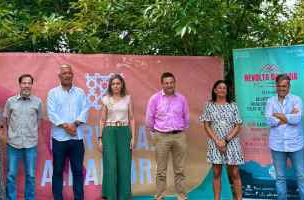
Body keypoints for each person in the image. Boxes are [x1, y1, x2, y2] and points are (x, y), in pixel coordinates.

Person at [47, 64, 89, 200]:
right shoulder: (53, 93)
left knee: (77, 171)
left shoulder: (80, 92)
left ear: (72, 75)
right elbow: (51, 113)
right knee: (58, 171)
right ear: (59, 76)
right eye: (64, 73)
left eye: (69, 73)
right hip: (59, 139)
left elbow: (85, 110)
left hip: (77, 139)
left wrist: (75, 125)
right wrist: (67, 127)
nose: (67, 75)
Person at [145, 72, 190, 200]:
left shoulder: (182, 99)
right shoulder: (155, 99)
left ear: (174, 83)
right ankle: (159, 196)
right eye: (166, 83)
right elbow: (149, 118)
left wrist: (181, 131)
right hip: (161, 137)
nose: (169, 85)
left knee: (180, 169)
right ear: (162, 84)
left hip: (179, 136)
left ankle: (181, 196)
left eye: (171, 82)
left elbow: (186, 118)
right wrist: (154, 134)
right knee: (161, 170)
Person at [264, 74, 304, 200]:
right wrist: (288, 116)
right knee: (280, 178)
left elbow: (297, 119)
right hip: (277, 145)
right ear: (276, 86)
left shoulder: (297, 100)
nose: (281, 88)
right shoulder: (270, 101)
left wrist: (278, 115)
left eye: (284, 86)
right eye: (279, 86)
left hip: (296, 144)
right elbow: (269, 121)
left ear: (289, 86)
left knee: (301, 176)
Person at [198, 80, 243, 200]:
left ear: (227, 91)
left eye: (224, 88)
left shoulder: (233, 105)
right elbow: (206, 125)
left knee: (234, 173)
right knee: (217, 173)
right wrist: (217, 140)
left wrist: (226, 140)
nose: (222, 90)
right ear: (215, 90)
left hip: (231, 142)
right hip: (215, 143)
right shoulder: (209, 105)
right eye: (220, 88)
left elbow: (238, 125)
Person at [4, 74, 43, 200]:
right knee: (11, 175)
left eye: (29, 83)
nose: (26, 85)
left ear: (32, 85)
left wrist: (31, 134)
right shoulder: (10, 101)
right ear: (19, 84)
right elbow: (7, 120)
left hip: (31, 144)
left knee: (31, 175)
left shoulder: (38, 102)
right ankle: (11, 198)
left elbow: (39, 121)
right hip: (13, 144)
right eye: (24, 83)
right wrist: (11, 135)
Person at [98, 73, 136, 200]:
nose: (116, 86)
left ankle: (124, 195)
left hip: (124, 132)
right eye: (113, 84)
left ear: (122, 85)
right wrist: (100, 138)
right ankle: (110, 195)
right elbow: (102, 120)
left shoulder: (128, 99)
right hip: (109, 132)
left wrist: (133, 137)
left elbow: (131, 118)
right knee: (111, 165)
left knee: (124, 165)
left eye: (118, 83)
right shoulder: (105, 99)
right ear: (110, 85)